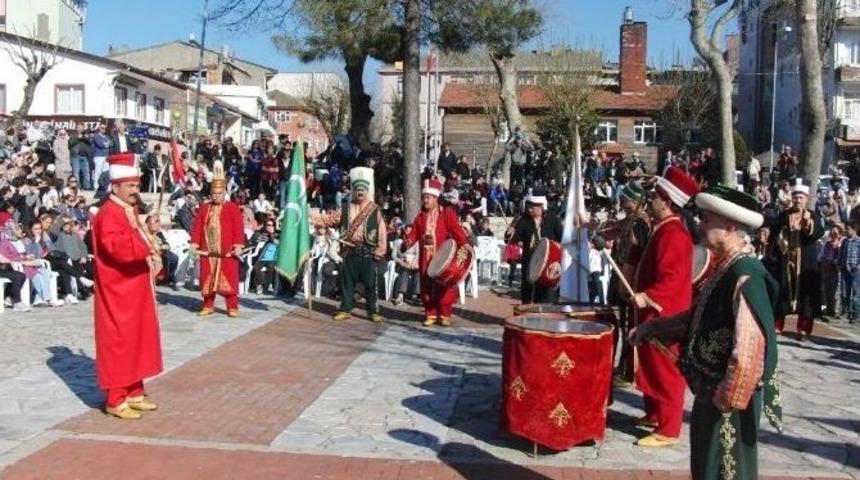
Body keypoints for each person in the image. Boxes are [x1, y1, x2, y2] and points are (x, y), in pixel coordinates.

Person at [631, 185, 782, 480]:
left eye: (708, 220)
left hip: (728, 401)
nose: (699, 225)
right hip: (710, 393)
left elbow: (750, 348)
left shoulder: (745, 275)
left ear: (730, 227)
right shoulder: (726, 268)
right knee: (706, 468)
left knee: (726, 469)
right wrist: (652, 328)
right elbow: (698, 317)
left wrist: (727, 398)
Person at [630, 166, 699, 447]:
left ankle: (669, 429)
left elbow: (672, 279)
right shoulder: (664, 229)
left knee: (665, 369)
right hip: (652, 313)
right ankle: (655, 415)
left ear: (667, 201)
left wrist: (647, 297)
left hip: (664, 316)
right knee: (650, 365)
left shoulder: (674, 234)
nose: (651, 201)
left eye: (656, 197)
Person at [91, 152, 163, 420]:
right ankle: (115, 398)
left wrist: (148, 229)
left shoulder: (128, 209)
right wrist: (146, 237)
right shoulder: (108, 214)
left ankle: (134, 391)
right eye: (130, 186)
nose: (135, 190)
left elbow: (135, 237)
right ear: (115, 186)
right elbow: (116, 248)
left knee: (138, 339)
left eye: (137, 185)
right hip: (118, 289)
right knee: (119, 342)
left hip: (135, 287)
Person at [313, 167, 387, 322]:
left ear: (366, 191)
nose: (360, 192)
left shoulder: (374, 209)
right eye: (357, 189)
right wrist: (314, 218)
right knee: (347, 283)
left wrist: (380, 250)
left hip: (368, 251)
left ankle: (373, 311)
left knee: (370, 284)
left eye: (362, 190)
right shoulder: (345, 207)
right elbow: (331, 220)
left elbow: (381, 231)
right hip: (349, 250)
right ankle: (345, 309)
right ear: (354, 191)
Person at [402, 178, 470, 326]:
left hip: (443, 257)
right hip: (425, 257)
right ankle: (430, 314)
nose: (425, 200)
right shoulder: (420, 217)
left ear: (435, 198)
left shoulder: (446, 213)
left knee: (444, 286)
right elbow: (413, 235)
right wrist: (406, 241)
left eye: (428, 197)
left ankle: (444, 314)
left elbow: (456, 231)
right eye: (424, 197)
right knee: (426, 286)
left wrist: (465, 244)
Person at [601, 182, 650, 386]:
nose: (621, 201)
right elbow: (613, 228)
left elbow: (637, 255)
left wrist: (628, 279)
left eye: (625, 198)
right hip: (621, 275)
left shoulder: (640, 224)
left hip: (630, 280)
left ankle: (629, 371)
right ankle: (622, 366)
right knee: (621, 324)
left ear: (634, 201)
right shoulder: (630, 220)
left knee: (629, 325)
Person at [190, 161, 246, 317]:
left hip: (227, 252)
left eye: (219, 193)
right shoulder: (204, 208)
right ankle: (208, 305)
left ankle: (232, 306)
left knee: (229, 280)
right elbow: (197, 227)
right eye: (213, 193)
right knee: (207, 281)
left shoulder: (232, 208)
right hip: (207, 252)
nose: (216, 196)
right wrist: (194, 243)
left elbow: (239, 228)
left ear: (224, 193)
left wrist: (238, 245)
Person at [771, 178, 824, 339]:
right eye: (795, 197)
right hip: (786, 258)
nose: (798, 200)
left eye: (801, 197)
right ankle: (777, 324)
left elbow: (818, 233)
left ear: (806, 199)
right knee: (782, 288)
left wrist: (808, 223)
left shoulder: (813, 215)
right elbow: (774, 231)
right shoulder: (784, 215)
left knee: (806, 292)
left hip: (805, 259)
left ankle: (804, 328)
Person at [504, 188, 563, 305]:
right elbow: (512, 240)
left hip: (548, 264)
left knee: (546, 297)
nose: (530, 209)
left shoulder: (552, 219)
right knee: (527, 296)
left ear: (541, 207)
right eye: (529, 207)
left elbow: (561, 238)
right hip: (529, 263)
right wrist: (509, 233)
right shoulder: (524, 221)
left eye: (533, 207)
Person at [146, 215, 179, 291]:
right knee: (162, 260)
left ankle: (170, 278)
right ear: (147, 223)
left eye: (158, 222)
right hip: (151, 253)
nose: (158, 225)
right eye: (155, 222)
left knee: (174, 257)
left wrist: (165, 246)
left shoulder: (159, 233)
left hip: (162, 252)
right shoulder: (145, 234)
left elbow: (166, 243)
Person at [838, 222, 860, 324]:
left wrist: (858, 266)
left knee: (856, 292)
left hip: (855, 270)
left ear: (854, 229)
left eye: (847, 229)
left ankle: (856, 314)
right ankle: (846, 312)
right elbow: (841, 253)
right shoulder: (844, 241)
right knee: (845, 292)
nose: (845, 231)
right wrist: (839, 263)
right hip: (845, 269)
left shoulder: (858, 241)